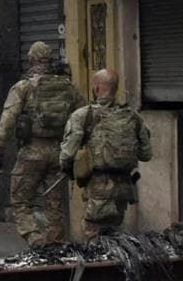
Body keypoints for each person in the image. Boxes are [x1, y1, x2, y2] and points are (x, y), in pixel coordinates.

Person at [0, 41, 86, 247]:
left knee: (20, 199)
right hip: (59, 152)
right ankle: (55, 244)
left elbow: (7, 119)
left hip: (32, 151)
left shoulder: (23, 86)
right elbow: (84, 115)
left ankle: (34, 238)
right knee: (55, 203)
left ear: (32, 60)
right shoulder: (68, 86)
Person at [59, 69, 153, 241]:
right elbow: (146, 154)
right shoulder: (133, 116)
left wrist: (69, 169)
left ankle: (100, 267)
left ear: (95, 88)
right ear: (116, 89)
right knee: (114, 234)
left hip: (98, 186)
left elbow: (67, 154)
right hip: (124, 187)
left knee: (92, 231)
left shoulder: (82, 115)